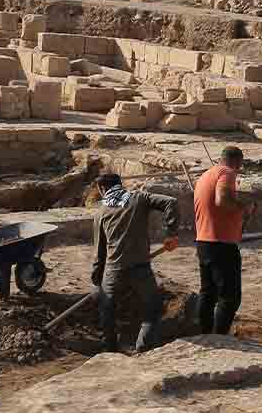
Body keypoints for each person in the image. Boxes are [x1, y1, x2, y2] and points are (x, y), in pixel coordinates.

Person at [90, 173, 179, 353]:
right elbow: (171, 202)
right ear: (120, 185)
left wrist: (96, 280)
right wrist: (171, 233)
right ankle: (143, 348)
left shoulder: (101, 212)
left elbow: (99, 252)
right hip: (140, 267)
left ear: (102, 189)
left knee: (107, 311)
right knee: (153, 308)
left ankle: (110, 350)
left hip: (114, 270)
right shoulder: (139, 197)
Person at [193, 146, 251, 335]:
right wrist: (244, 207)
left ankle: (205, 335)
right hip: (221, 243)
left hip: (204, 241)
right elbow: (222, 199)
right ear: (237, 161)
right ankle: (219, 337)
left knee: (208, 293)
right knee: (230, 297)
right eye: (240, 165)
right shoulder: (227, 173)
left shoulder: (206, 175)